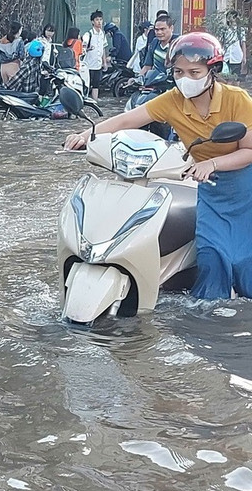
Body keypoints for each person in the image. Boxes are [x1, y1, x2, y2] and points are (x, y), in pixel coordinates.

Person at [64, 32, 252, 300]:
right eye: (178, 72)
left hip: (245, 187)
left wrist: (213, 163)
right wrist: (86, 134)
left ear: (213, 71)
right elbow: (127, 120)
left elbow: (249, 151)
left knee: (245, 260)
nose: (185, 79)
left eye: (194, 72)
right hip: (210, 189)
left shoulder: (237, 99)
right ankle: (210, 314)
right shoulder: (172, 100)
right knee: (211, 255)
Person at [82, 10, 108, 99]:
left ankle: (95, 102)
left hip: (98, 65)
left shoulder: (102, 34)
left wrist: (104, 62)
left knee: (96, 85)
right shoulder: (88, 34)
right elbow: (83, 47)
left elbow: (103, 48)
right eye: (97, 20)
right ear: (92, 22)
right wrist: (88, 49)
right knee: (86, 85)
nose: (99, 22)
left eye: (100, 19)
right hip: (88, 65)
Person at [223, 10, 245, 77]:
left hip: (236, 57)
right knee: (225, 77)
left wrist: (244, 57)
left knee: (236, 77)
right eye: (232, 17)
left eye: (235, 17)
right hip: (226, 58)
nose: (233, 19)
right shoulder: (224, 30)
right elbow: (222, 43)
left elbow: (243, 43)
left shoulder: (240, 30)